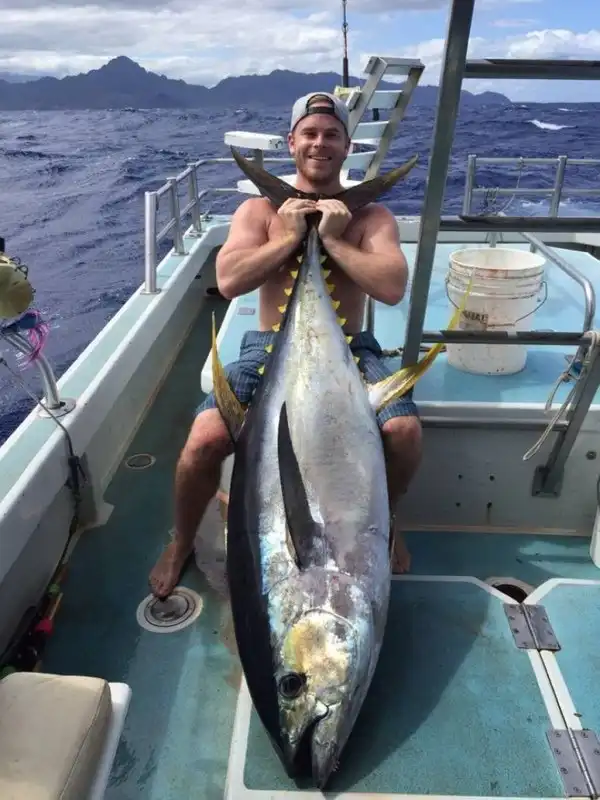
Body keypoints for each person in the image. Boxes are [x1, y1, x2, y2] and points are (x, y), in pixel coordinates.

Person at [149, 91, 422, 599]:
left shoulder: (371, 217)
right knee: (203, 440)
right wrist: (289, 236)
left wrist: (333, 238)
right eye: (310, 134)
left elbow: (391, 286)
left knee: (404, 431)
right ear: (292, 142)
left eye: (332, 135)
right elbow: (229, 280)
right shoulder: (258, 210)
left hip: (350, 348)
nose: (320, 143)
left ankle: (387, 521)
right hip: (269, 347)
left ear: (347, 146)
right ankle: (182, 539)